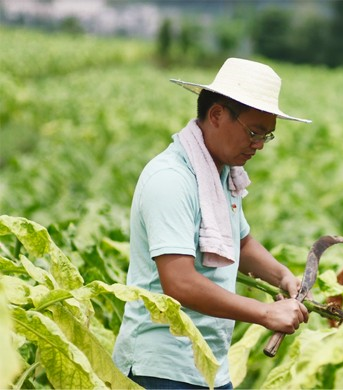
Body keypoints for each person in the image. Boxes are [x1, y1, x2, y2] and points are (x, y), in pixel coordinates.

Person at [112, 58, 311, 389]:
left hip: (208, 368)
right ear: (217, 114)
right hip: (162, 368)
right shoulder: (172, 179)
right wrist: (265, 314)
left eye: (267, 135)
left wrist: (283, 277)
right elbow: (180, 282)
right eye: (254, 131)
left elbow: (241, 242)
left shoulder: (220, 175)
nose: (259, 144)